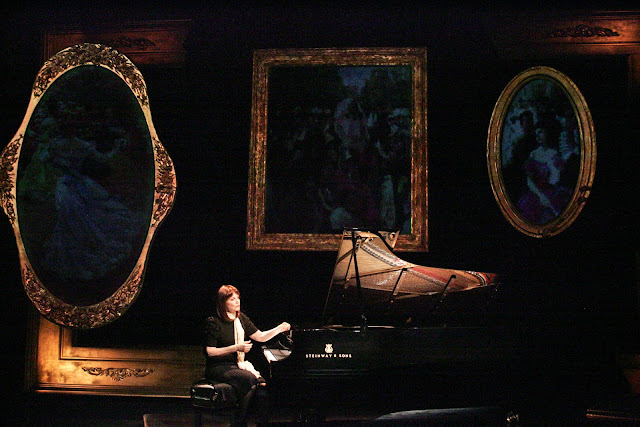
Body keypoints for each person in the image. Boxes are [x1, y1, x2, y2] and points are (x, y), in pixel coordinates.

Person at [204, 285, 290, 423]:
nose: (237, 301)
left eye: (238, 298)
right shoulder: (214, 322)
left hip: (236, 365)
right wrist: (236, 347)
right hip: (218, 367)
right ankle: (240, 422)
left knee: (261, 386)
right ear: (223, 302)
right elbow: (210, 351)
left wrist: (279, 329)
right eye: (232, 299)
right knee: (251, 379)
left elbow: (260, 336)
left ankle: (258, 422)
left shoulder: (241, 318)